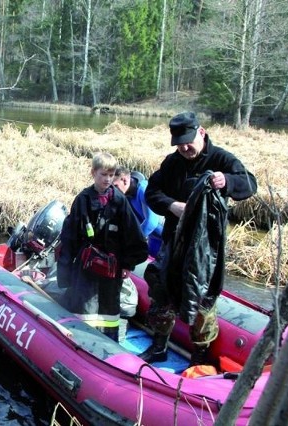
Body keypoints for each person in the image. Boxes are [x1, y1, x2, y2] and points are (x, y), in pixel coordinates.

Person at [139, 111, 257, 367]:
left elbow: (250, 184)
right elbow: (152, 192)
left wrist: (227, 181)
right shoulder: (172, 163)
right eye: (178, 142)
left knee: (203, 300)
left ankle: (200, 355)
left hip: (205, 249)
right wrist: (171, 206)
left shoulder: (221, 159)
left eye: (188, 141)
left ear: (201, 132)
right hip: (174, 241)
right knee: (162, 292)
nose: (184, 147)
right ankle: (159, 346)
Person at [57, 152, 148, 342]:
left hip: (112, 268)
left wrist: (128, 264)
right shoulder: (82, 199)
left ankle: (109, 343)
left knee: (109, 310)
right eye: (103, 175)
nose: (107, 179)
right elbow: (69, 236)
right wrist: (65, 273)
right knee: (85, 307)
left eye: (111, 175)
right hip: (86, 267)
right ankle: (81, 342)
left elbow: (133, 234)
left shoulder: (119, 200)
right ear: (93, 173)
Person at [113, 166, 164, 256]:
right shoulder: (126, 195)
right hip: (154, 238)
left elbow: (151, 222)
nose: (113, 190)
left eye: (115, 186)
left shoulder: (143, 190)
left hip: (168, 237)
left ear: (124, 180)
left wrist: (132, 241)